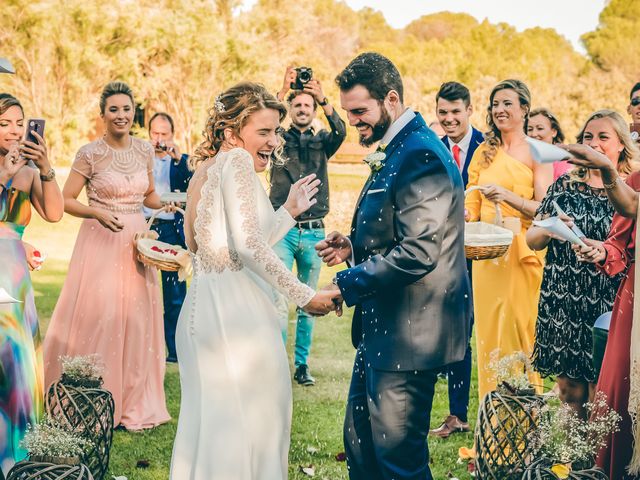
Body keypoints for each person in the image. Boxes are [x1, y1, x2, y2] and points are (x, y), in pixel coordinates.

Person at [169, 82, 339, 480]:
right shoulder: (238, 164)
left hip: (202, 310)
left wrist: (288, 213)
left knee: (212, 429)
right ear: (232, 132)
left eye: (275, 131)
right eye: (263, 132)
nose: (273, 141)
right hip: (237, 315)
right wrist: (304, 295)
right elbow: (247, 248)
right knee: (257, 423)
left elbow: (216, 246)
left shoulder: (206, 170)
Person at [316, 52, 471, 480]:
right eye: (348, 113)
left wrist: (344, 284)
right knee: (363, 452)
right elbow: (399, 233)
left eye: (361, 112)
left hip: (411, 336)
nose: (355, 122)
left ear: (391, 99)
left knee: (399, 464)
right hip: (384, 330)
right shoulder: (399, 147)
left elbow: (419, 252)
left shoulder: (420, 154)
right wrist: (354, 245)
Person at [43, 82, 172, 431]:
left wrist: (168, 203)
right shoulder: (89, 153)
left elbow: (148, 196)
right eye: (113, 109)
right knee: (101, 318)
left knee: (137, 319)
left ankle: (132, 398)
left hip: (137, 242)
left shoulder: (145, 150)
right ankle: (91, 395)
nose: (121, 115)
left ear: (134, 113)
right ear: (102, 115)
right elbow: (66, 200)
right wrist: (96, 213)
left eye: (126, 109)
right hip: (100, 240)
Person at [526, 110, 634, 418]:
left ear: (621, 146)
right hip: (563, 299)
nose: (594, 143)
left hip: (608, 298)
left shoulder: (628, 192)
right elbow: (532, 240)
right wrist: (549, 226)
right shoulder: (564, 186)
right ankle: (573, 465)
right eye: (588, 137)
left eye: (603, 137)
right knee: (569, 392)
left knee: (602, 392)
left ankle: (598, 464)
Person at [465, 79, 554, 400]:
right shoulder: (483, 152)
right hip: (487, 253)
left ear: (524, 109)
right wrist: (461, 214)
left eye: (507, 104)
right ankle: (493, 425)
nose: (499, 110)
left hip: (521, 250)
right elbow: (470, 204)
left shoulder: (536, 152)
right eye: (495, 104)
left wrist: (508, 196)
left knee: (519, 329)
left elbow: (544, 208)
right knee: (489, 332)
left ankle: (526, 420)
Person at [566, 139, 640, 479]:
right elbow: (620, 242)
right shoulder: (636, 181)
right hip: (635, 295)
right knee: (624, 384)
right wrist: (602, 252)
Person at [270, 67, 346, 386]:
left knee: (307, 300)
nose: (302, 109)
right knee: (275, 298)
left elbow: (341, 130)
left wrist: (323, 98)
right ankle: (272, 361)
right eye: (296, 105)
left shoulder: (323, 142)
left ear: (313, 110)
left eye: (307, 105)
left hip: (314, 232)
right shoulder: (276, 140)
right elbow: (264, 121)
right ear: (289, 110)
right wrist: (281, 90)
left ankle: (302, 365)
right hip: (282, 232)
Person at [0, 93, 63, 474]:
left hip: (15, 279)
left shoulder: (29, 170)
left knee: (19, 365)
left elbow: (54, 213)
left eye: (19, 122)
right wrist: (4, 175)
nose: (14, 130)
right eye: (5, 122)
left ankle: (16, 458)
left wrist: (46, 167)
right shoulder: (11, 171)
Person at [428, 81, 483, 439]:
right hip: (445, 255)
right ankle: (457, 414)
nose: (448, 119)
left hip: (486, 253)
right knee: (454, 332)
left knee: (480, 331)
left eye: (455, 112)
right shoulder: (432, 148)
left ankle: (504, 409)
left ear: (469, 111)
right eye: (442, 112)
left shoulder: (487, 147)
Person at [143, 112, 192, 363]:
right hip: (146, 226)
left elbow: (191, 188)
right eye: (155, 133)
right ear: (148, 133)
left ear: (172, 135)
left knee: (174, 292)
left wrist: (178, 160)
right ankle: (145, 348)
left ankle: (175, 350)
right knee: (142, 289)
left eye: (164, 134)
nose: (159, 139)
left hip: (173, 229)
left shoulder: (181, 161)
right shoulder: (141, 158)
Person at [527, 107, 569, 180]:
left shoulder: (564, 162)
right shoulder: (523, 157)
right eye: (529, 129)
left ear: (554, 132)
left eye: (540, 128)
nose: (533, 134)